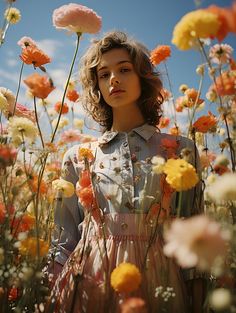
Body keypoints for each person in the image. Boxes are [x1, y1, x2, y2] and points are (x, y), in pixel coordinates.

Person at [47, 31, 205, 313]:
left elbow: (193, 230)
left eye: (123, 69)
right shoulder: (78, 157)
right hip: (89, 280)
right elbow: (64, 237)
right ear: (96, 85)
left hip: (160, 279)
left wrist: (197, 292)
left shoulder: (180, 149)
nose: (113, 80)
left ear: (143, 76)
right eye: (103, 74)